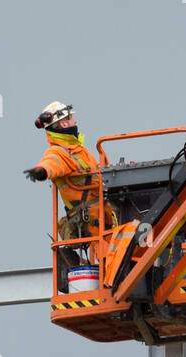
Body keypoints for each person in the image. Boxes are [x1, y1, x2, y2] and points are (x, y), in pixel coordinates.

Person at [25, 102, 137, 290]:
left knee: (134, 231)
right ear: (62, 124)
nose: (74, 120)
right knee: (113, 247)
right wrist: (42, 171)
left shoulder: (80, 150)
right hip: (91, 217)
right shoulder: (59, 152)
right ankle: (116, 284)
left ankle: (128, 278)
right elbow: (52, 163)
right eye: (70, 118)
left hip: (106, 210)